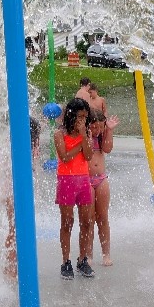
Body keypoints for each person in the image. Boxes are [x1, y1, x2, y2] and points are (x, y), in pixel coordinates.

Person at [54, 97, 95, 280]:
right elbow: (65, 157)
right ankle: (66, 261)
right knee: (67, 222)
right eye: (80, 116)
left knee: (86, 222)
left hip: (84, 180)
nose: (83, 120)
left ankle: (82, 259)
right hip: (66, 180)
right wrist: (80, 142)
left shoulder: (86, 133)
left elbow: (87, 156)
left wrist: (84, 135)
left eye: (85, 117)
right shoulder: (59, 134)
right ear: (71, 116)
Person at [5, 116, 41, 278]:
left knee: (16, 229)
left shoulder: (18, 146)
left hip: (15, 189)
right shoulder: (21, 149)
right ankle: (11, 267)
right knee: (15, 229)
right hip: (13, 190)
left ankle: (13, 265)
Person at [86, 109, 119, 266]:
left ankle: (106, 254)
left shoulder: (102, 136)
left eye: (100, 127)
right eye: (94, 127)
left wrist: (109, 130)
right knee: (89, 219)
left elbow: (107, 149)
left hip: (101, 179)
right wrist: (87, 134)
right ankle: (89, 254)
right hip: (85, 180)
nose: (97, 130)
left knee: (103, 217)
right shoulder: (84, 136)